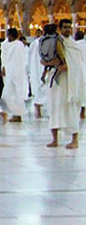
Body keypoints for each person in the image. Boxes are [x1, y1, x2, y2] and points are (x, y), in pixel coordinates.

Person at [45, 19, 84, 149]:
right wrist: (54, 64)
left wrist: (68, 66)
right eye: (65, 27)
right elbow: (44, 60)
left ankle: (75, 140)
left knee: (71, 110)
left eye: (69, 27)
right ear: (60, 29)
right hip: (57, 83)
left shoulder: (75, 46)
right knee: (54, 108)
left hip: (70, 83)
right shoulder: (55, 43)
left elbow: (79, 65)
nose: (68, 29)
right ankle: (54, 139)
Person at [0, 28, 29, 122]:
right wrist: (3, 67)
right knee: (7, 95)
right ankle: (16, 113)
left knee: (16, 94)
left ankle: (18, 115)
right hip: (10, 72)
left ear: (11, 35)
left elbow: (22, 59)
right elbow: (5, 58)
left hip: (17, 73)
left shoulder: (19, 45)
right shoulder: (7, 45)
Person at [28, 28, 48, 117]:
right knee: (41, 88)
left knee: (42, 89)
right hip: (39, 68)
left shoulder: (38, 43)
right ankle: (38, 109)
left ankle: (39, 109)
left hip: (40, 69)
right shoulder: (35, 43)